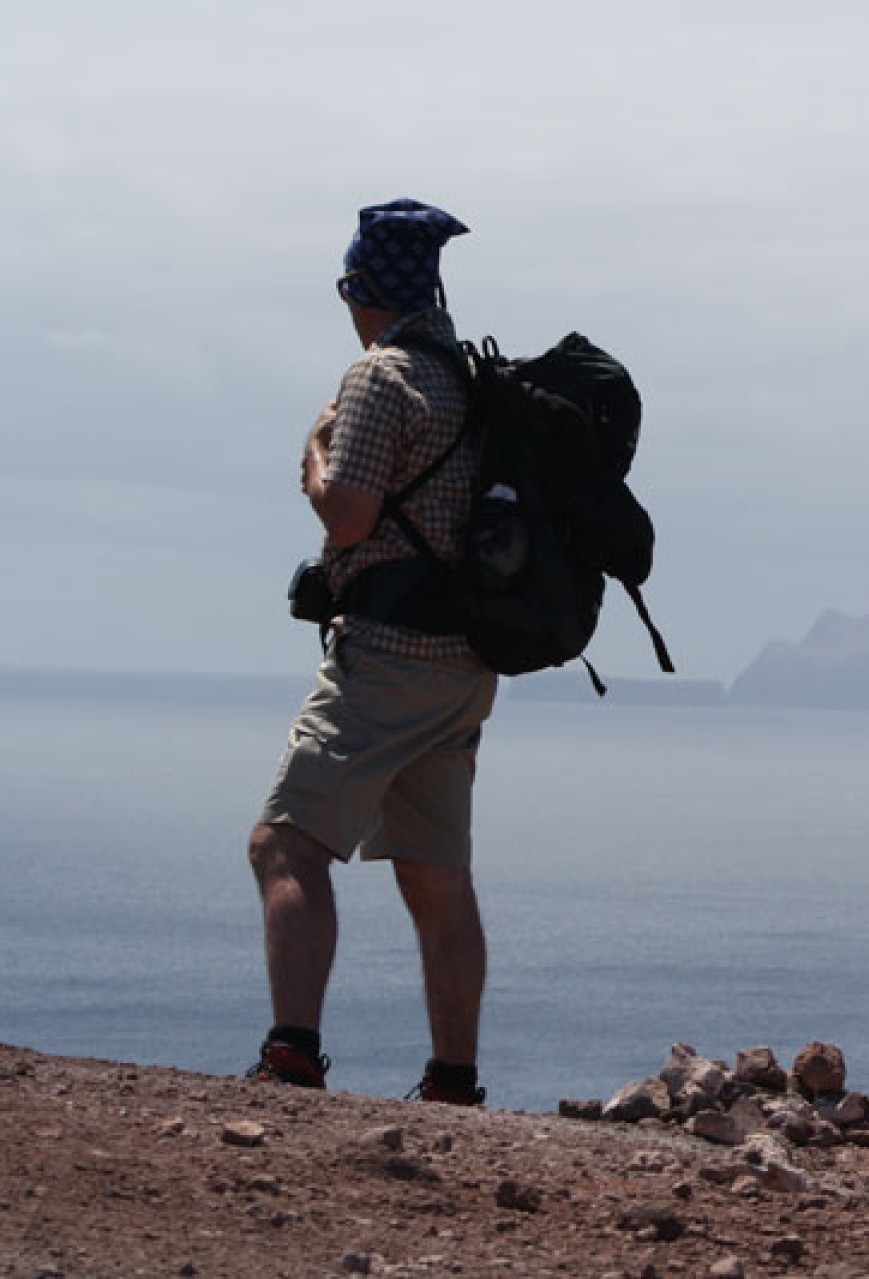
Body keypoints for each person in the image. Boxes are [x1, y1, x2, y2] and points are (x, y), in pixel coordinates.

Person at [246, 198, 496, 1105]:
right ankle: (453, 1079)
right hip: (466, 664)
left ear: (361, 289)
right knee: (436, 870)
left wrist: (313, 459)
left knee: (284, 844)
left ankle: (292, 1053)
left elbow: (348, 511)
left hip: (387, 653)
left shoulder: (380, 378)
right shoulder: (467, 380)